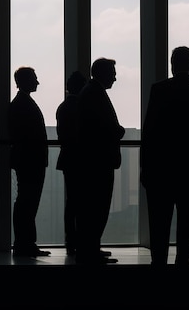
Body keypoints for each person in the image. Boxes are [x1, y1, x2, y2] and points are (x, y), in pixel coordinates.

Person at [140, 46, 189, 266]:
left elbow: (150, 132)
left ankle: (159, 263)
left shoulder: (159, 89)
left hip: (161, 171)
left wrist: (145, 168)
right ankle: (182, 263)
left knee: (159, 224)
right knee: (187, 224)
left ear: (173, 62)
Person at [75, 58, 125, 265]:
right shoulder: (94, 94)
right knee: (96, 207)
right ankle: (90, 250)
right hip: (97, 162)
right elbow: (101, 127)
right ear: (102, 73)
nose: (115, 76)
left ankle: (91, 248)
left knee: (93, 208)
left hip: (94, 161)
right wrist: (118, 131)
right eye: (112, 72)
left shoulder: (91, 92)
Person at [8, 66, 51, 257]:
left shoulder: (20, 103)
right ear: (25, 81)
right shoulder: (23, 104)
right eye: (34, 78)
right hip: (31, 161)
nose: (38, 82)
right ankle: (25, 244)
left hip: (27, 160)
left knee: (26, 202)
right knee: (28, 202)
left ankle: (24, 243)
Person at [55, 70, 87, 256]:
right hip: (80, 160)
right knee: (80, 202)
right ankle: (79, 241)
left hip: (69, 159)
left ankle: (71, 241)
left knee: (73, 201)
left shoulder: (64, 107)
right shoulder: (80, 106)